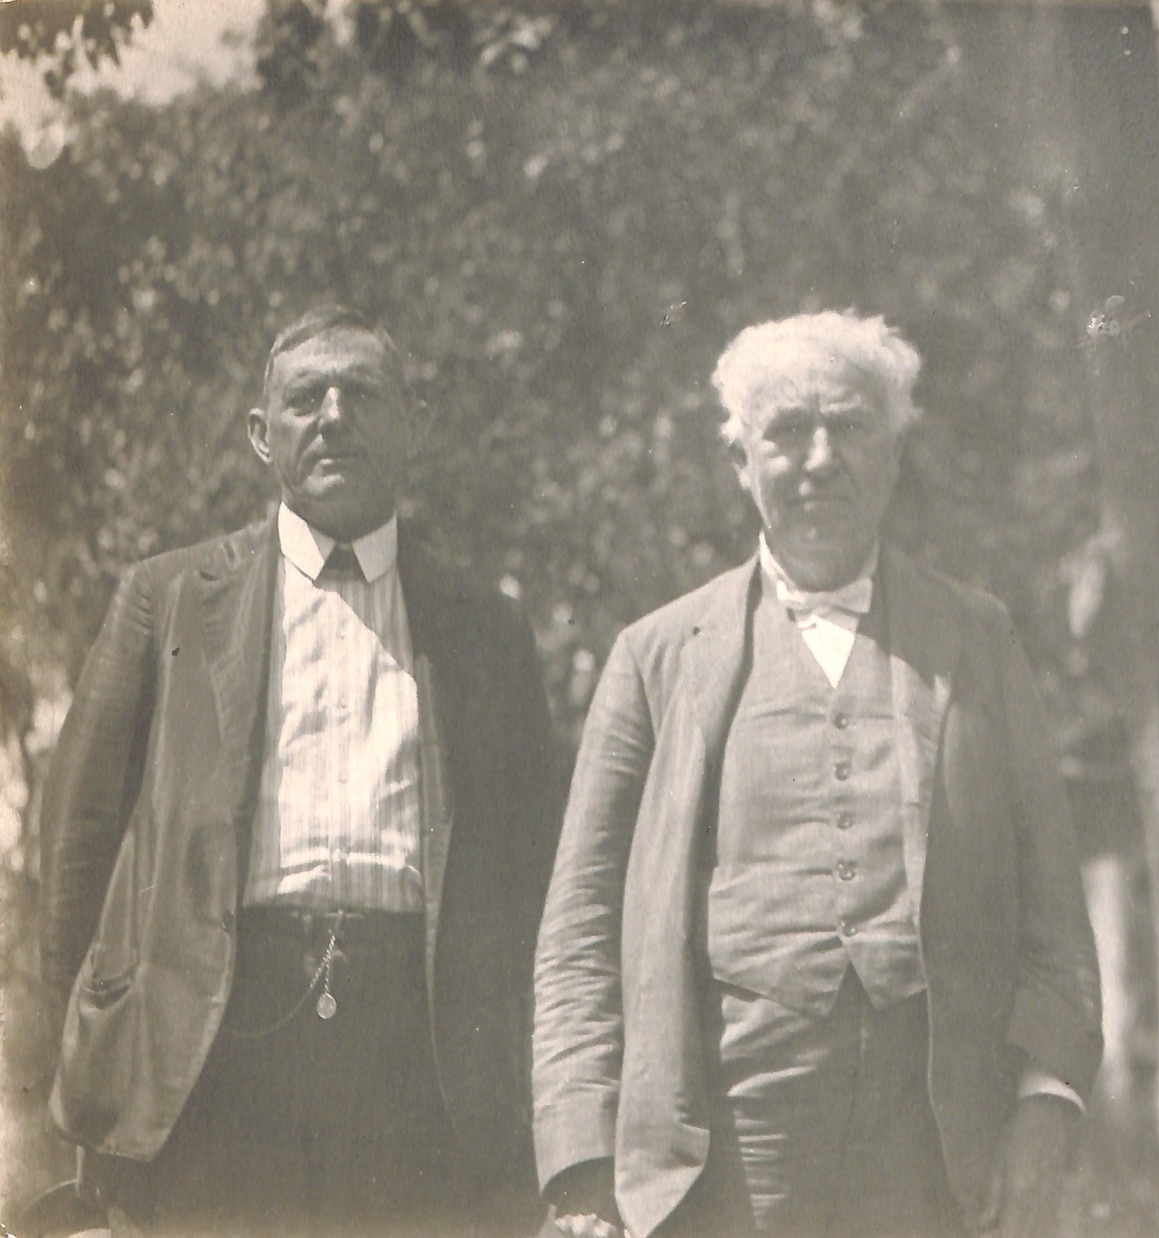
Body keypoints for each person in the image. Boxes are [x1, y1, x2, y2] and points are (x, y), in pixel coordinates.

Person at [533, 311, 1101, 1238]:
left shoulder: (977, 638)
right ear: (740, 464)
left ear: (895, 454)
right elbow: (580, 929)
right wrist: (581, 1164)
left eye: (850, 426)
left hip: (934, 1146)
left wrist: (1045, 1102)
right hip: (722, 1148)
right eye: (787, 431)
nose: (820, 457)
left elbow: (1055, 905)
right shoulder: (656, 656)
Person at [40, 306, 562, 1235]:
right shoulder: (167, 603)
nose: (332, 415)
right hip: (215, 1049)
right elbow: (78, 844)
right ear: (260, 434)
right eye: (304, 398)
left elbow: (537, 870)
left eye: (361, 394)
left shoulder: (484, 628)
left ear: (414, 424)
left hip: (420, 1058)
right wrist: (87, 1067)